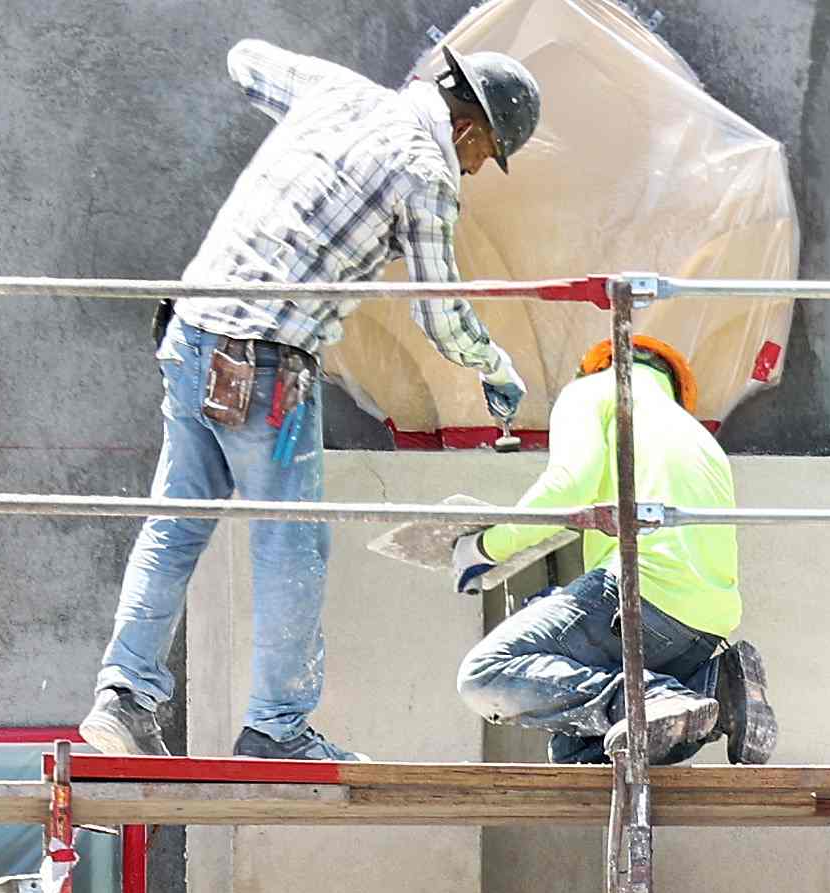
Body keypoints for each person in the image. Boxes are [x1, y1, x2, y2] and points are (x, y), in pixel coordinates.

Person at [83, 35, 545, 765]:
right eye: (485, 152)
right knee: (290, 546)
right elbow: (439, 312)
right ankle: (276, 730)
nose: (477, 167)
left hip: (193, 332)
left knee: (176, 524)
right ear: (466, 127)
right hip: (267, 363)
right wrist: (492, 365)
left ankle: (124, 699)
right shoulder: (425, 173)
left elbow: (241, 57)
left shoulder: (337, 92)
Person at [453, 331, 765, 765]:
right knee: (576, 751)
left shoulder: (598, 390)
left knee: (484, 676)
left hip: (641, 593)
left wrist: (484, 547)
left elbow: (568, 484)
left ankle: (652, 698)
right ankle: (710, 689)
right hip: (701, 628)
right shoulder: (698, 439)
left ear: (598, 364)